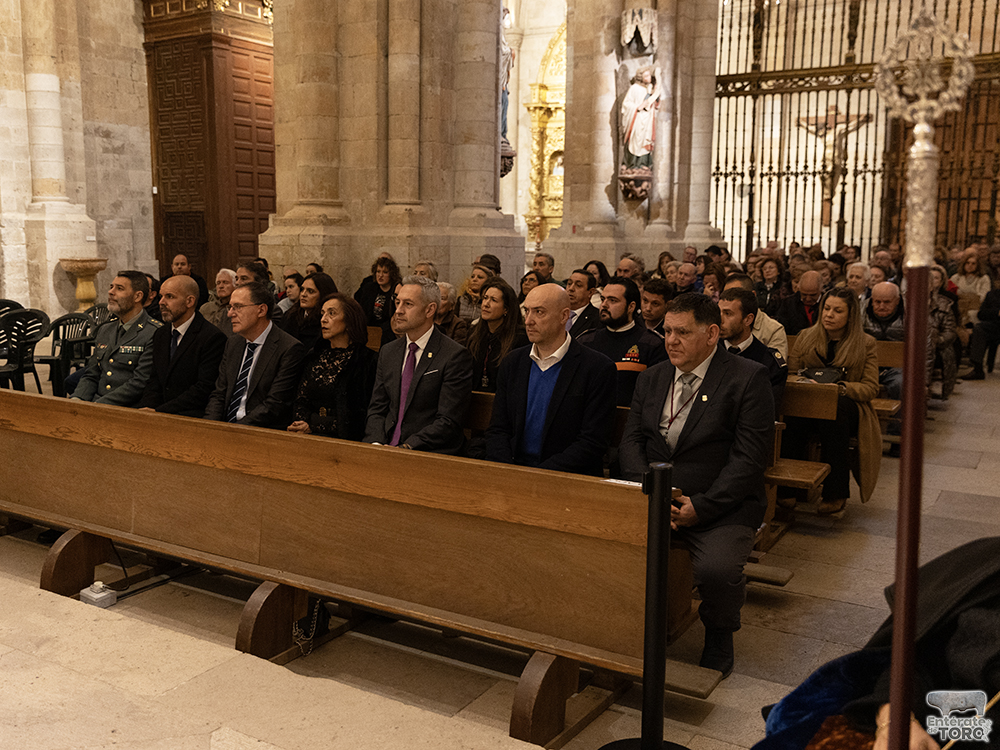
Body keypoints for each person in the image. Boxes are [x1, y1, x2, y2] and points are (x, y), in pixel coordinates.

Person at [619, 293, 774, 677]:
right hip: (653, 496)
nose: (671, 341)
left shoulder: (747, 378)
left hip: (720, 505)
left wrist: (701, 507)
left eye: (682, 333)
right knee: (602, 548)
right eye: (668, 331)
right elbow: (631, 441)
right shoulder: (653, 377)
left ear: (711, 334)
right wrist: (651, 493)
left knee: (717, 569)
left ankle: (719, 633)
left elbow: (748, 461)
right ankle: (624, 628)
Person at [486, 284, 616, 476]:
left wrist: (539, 476)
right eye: (527, 311)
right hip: (513, 471)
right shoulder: (513, 362)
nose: (528, 321)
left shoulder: (597, 368)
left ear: (564, 316)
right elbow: (498, 429)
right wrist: (509, 470)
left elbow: (592, 442)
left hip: (567, 476)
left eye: (539, 312)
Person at [784, 288, 881, 514]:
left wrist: (839, 389)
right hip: (809, 400)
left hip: (848, 406)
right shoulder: (806, 336)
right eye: (826, 308)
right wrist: (806, 383)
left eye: (838, 311)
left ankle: (835, 492)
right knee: (792, 417)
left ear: (850, 315)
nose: (829, 314)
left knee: (835, 414)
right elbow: (790, 373)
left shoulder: (865, 343)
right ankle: (787, 488)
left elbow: (870, 387)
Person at [363, 275, 473, 453]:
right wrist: (376, 443)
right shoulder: (389, 352)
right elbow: (377, 408)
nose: (398, 311)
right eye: (397, 302)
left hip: (427, 451)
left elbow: (448, 420)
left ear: (430, 310)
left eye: (408, 304)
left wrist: (407, 447)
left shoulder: (454, 355)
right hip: (385, 448)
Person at [203, 282, 306, 428]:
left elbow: (274, 404)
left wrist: (233, 430)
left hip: (260, 431)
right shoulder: (233, 343)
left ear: (261, 310)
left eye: (238, 307)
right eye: (230, 307)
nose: (230, 313)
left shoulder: (289, 348)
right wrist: (210, 426)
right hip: (226, 427)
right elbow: (219, 393)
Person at [287, 294, 378, 440]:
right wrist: (302, 423)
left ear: (349, 320)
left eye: (331, 313)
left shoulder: (367, 360)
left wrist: (314, 425)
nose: (323, 319)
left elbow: (361, 413)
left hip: (346, 439)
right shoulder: (315, 355)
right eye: (322, 313)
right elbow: (300, 399)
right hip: (306, 436)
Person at [136, 274, 227, 417]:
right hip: (159, 412)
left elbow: (203, 389)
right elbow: (154, 380)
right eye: (161, 296)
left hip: (189, 415)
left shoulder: (211, 337)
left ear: (189, 301)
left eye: (170, 297)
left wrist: (160, 412)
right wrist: (147, 408)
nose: (161, 302)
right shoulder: (161, 333)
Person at [73, 271, 161, 406]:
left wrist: (98, 406)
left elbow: (139, 383)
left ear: (137, 296)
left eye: (119, 288)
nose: (111, 292)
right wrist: (77, 399)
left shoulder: (154, 332)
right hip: (97, 403)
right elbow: (91, 374)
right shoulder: (105, 329)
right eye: (111, 287)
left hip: (127, 408)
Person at [578, 277, 667, 406]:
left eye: (612, 300)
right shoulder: (586, 341)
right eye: (603, 299)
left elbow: (655, 397)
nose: (604, 305)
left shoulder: (652, 344)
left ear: (631, 307)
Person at [718, 288, 786, 415]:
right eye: (719, 312)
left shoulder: (768, 362)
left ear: (748, 320)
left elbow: (765, 412)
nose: (720, 320)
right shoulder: (709, 351)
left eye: (728, 314)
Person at [468, 278, 527, 392]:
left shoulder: (519, 338)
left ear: (506, 309)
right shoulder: (474, 333)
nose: (486, 304)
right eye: (485, 298)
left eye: (493, 300)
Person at [724, 274, 789, 358]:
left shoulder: (773, 330)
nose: (728, 302)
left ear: (753, 295)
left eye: (734, 296)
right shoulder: (719, 324)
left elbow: (774, 365)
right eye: (725, 296)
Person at [861, 282, 905, 400]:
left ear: (897, 301)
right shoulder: (861, 311)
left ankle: (900, 412)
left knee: (901, 384)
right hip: (867, 364)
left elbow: (925, 347)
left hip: (898, 368)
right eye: (877, 302)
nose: (881, 306)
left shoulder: (909, 313)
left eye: (887, 302)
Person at [282, 272, 339, 351]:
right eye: (302, 289)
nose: (303, 294)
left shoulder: (327, 322)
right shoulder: (290, 315)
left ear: (323, 294)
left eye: (310, 291)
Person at [620, 66, 661, 169]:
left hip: (647, 119)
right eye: (646, 76)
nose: (649, 77)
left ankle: (643, 163)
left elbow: (654, 104)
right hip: (636, 118)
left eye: (649, 75)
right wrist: (637, 108)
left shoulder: (650, 89)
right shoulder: (634, 88)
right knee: (635, 138)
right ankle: (631, 164)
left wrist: (655, 94)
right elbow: (626, 104)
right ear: (640, 77)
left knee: (645, 140)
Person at [928, 266, 958, 399]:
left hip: (937, 346)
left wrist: (936, 340)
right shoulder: (906, 302)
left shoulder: (944, 304)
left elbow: (950, 332)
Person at [354, 255, 401, 339]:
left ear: (391, 274)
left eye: (385, 272)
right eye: (378, 271)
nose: (380, 275)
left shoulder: (396, 289)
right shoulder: (369, 288)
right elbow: (362, 310)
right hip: (370, 329)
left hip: (389, 331)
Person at [964, 276, 1000, 379]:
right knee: (979, 329)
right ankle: (977, 368)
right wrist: (997, 312)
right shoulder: (992, 295)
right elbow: (981, 314)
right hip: (995, 326)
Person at [776, 270, 822, 335]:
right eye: (804, 294)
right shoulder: (788, 303)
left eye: (813, 295)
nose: (808, 299)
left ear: (821, 289)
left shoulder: (827, 303)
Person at [565, 269, 600, 338]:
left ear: (590, 292)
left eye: (578, 285)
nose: (571, 288)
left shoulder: (597, 319)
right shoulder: (556, 312)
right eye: (569, 283)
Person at [201, 269, 236, 335]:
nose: (221, 286)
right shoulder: (205, 308)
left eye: (225, 282)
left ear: (235, 285)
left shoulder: (237, 308)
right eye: (218, 283)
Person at [434, 282, 469, 346]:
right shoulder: (425, 319)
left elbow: (456, 349)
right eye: (435, 297)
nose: (436, 301)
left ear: (452, 305)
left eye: (442, 298)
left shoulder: (458, 325)